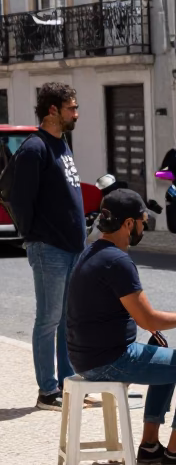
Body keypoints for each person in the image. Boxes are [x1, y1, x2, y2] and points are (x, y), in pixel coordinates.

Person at [66, 190, 176, 465]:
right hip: (108, 360)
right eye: (142, 221)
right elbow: (149, 320)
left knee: (163, 353)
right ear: (127, 224)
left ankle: (149, 445)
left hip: (85, 356)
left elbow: (127, 314)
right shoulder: (118, 261)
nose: (144, 227)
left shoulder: (93, 251)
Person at [8, 82, 86, 411]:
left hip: (71, 247)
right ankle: (47, 391)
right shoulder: (34, 149)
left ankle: (68, 385)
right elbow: (17, 197)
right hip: (49, 248)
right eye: (71, 108)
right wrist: (33, 236)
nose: (76, 114)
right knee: (48, 319)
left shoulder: (62, 143)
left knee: (68, 319)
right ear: (52, 110)